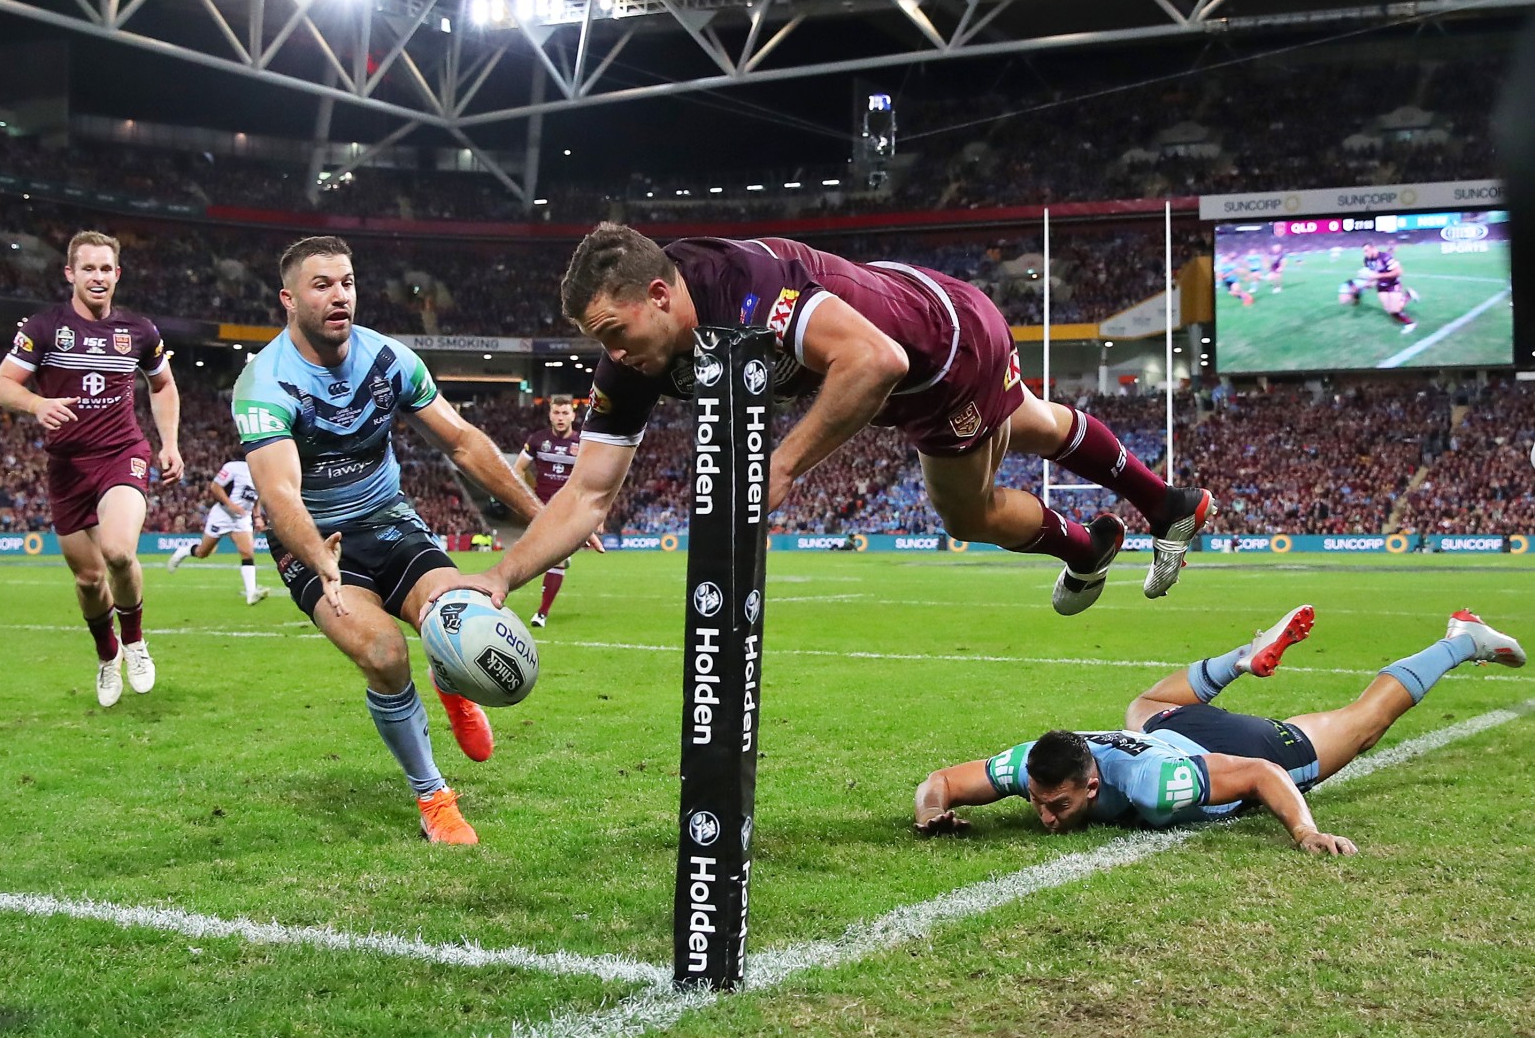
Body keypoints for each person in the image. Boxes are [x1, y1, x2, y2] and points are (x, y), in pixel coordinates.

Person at [453, 224, 1211, 617]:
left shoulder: (747, 288)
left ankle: (1084, 548)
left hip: (939, 349)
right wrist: (501, 575)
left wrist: (779, 467)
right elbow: (587, 494)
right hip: (923, 305)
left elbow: (874, 362)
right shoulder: (634, 357)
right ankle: (1165, 504)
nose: (610, 353)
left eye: (614, 332)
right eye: (598, 340)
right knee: (1034, 425)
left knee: (963, 508)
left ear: (659, 294)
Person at [233, 235, 548, 846]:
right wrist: (317, 553)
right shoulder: (264, 382)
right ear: (289, 299)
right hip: (318, 545)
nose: (339, 295)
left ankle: (450, 682)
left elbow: (461, 441)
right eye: (321, 285)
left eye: (347, 282)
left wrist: (539, 511)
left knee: (461, 613)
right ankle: (434, 796)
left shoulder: (389, 360)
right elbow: (279, 493)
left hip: (391, 520)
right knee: (382, 655)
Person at [913, 605, 1525, 853]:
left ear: (1093, 786)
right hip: (1167, 722)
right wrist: (930, 814)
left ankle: (1459, 639)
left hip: (1230, 749)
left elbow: (1260, 774)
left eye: (1060, 805)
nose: (1046, 818)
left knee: (1361, 725)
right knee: (1143, 702)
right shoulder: (1032, 764)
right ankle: (1239, 658)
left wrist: (1305, 831)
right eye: (1043, 805)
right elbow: (940, 779)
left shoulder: (1158, 785)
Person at [0, 230, 183, 708]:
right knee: (88, 579)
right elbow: (2, 386)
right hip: (67, 466)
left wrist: (170, 444)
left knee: (118, 551)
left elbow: (162, 387)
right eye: (88, 269)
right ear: (70, 274)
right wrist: (36, 403)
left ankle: (135, 641)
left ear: (117, 274)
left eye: (106, 269)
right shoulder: (43, 328)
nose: (97, 277)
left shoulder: (140, 330)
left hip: (123, 452)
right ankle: (107, 653)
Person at [512, 394, 582, 628]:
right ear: (549, 414)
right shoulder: (537, 440)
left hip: (569, 509)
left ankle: (541, 613)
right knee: (538, 557)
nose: (560, 417)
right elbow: (519, 468)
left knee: (556, 560)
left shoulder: (582, 444)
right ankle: (563, 555)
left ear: (573, 415)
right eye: (556, 412)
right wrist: (524, 498)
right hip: (541, 508)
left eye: (565, 413)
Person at [166, 452, 271, 605]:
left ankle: (251, 593)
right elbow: (215, 487)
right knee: (203, 552)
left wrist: (257, 517)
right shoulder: (234, 467)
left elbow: (256, 497)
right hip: (222, 515)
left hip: (242, 518)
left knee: (247, 552)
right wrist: (231, 505)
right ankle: (184, 551)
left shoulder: (262, 474)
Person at [1362, 242, 1419, 333]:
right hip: (1380, 286)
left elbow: (1398, 271)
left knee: (1394, 310)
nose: (1365, 253)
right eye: (1364, 251)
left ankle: (1410, 324)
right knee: (1389, 310)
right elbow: (1371, 274)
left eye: (1366, 251)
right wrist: (1368, 283)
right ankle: (1408, 296)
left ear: (1373, 248)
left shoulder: (1385, 257)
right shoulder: (1367, 260)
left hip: (1393, 284)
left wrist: (1378, 276)